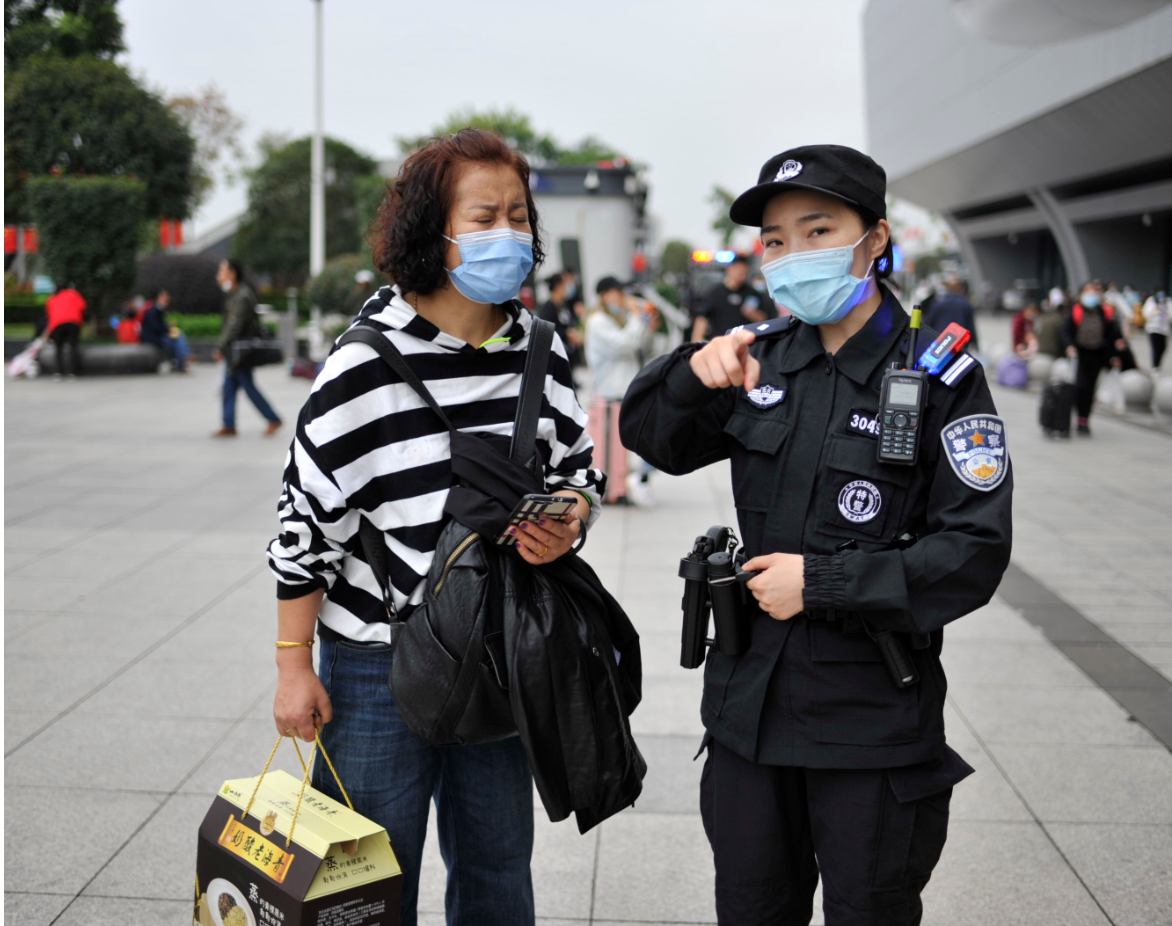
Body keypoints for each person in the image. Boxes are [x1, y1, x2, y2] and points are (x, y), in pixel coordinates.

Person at [621, 144, 1013, 926]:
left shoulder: (936, 373)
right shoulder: (757, 359)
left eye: (818, 230)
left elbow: (973, 552)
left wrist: (825, 583)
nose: (792, 255)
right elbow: (651, 438)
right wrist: (692, 373)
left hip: (868, 728)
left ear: (874, 238)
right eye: (774, 240)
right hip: (748, 719)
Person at [267, 128, 604, 926]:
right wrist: (291, 667)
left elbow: (579, 473)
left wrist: (569, 519)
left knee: (496, 869)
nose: (509, 234)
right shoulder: (363, 365)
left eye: (518, 216)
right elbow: (302, 528)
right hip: (376, 670)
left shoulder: (540, 352)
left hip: (497, 655)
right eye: (484, 216)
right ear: (433, 231)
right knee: (363, 886)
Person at [585, 277, 656, 504]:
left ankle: (632, 478)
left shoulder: (614, 319)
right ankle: (629, 480)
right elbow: (626, 345)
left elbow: (638, 344)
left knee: (642, 436)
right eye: (617, 293)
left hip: (623, 389)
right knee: (643, 435)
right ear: (605, 295)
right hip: (612, 391)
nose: (622, 298)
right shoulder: (598, 321)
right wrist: (637, 317)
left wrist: (645, 325)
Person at [212, 259, 282, 437]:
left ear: (232, 274)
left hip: (240, 351)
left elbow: (234, 325)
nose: (218, 277)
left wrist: (221, 346)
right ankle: (228, 424)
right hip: (236, 350)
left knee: (247, 385)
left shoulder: (241, 295)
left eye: (221, 272)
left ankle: (273, 418)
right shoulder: (237, 293)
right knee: (229, 386)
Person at [1062, 280, 1125, 436]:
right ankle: (1077, 415)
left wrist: (1115, 355)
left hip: (1097, 354)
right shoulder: (1075, 310)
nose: (1092, 295)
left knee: (1090, 388)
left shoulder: (1103, 312)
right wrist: (1069, 346)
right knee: (1081, 386)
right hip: (1080, 354)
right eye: (1088, 292)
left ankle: (1084, 420)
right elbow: (1065, 331)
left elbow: (1112, 334)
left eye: (1094, 292)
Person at [691, 253, 766, 342]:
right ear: (729, 269)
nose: (741, 273)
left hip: (746, 345)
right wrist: (694, 346)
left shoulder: (752, 293)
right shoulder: (715, 293)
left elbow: (764, 320)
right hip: (721, 343)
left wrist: (753, 314)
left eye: (744, 270)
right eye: (738, 269)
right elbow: (702, 320)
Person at [536, 270, 584, 371]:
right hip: (556, 358)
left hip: (570, 355)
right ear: (558, 286)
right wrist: (566, 335)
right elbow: (546, 333)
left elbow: (569, 323)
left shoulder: (564, 305)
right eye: (566, 283)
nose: (568, 287)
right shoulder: (547, 308)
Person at [44, 282, 86, 380]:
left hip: (57, 324)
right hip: (73, 322)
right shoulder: (74, 294)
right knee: (73, 346)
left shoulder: (52, 298)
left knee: (58, 348)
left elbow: (48, 314)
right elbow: (82, 306)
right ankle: (72, 372)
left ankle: (58, 372)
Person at [923, 276, 979, 350]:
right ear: (960, 288)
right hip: (960, 344)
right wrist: (976, 345)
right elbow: (971, 327)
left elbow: (929, 324)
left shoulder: (938, 304)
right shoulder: (966, 304)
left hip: (940, 343)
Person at [139, 288, 188, 373]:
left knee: (177, 336)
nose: (166, 299)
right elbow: (156, 327)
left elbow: (159, 326)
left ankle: (181, 361)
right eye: (163, 297)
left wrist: (168, 328)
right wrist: (168, 329)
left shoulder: (159, 310)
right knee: (176, 339)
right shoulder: (153, 311)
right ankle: (182, 360)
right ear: (158, 298)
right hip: (152, 339)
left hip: (157, 337)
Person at [1142, 290, 1169, 371]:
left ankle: (1158, 364)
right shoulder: (1151, 301)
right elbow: (1145, 313)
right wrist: (1155, 311)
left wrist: (1165, 312)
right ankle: (1155, 366)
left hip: (1164, 329)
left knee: (1162, 347)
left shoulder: (1167, 301)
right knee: (1155, 347)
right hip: (1153, 328)